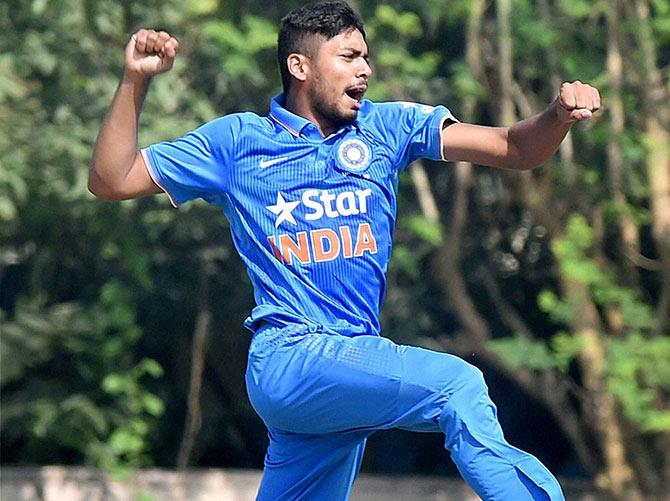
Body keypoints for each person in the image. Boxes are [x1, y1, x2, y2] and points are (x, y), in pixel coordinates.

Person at [89, 2, 600, 499]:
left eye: (367, 58)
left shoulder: (387, 127)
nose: (366, 70)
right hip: (291, 355)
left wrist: (556, 116)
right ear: (300, 66)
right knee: (457, 385)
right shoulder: (238, 141)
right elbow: (111, 179)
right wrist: (136, 79)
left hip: (345, 368)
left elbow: (515, 148)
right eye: (349, 57)